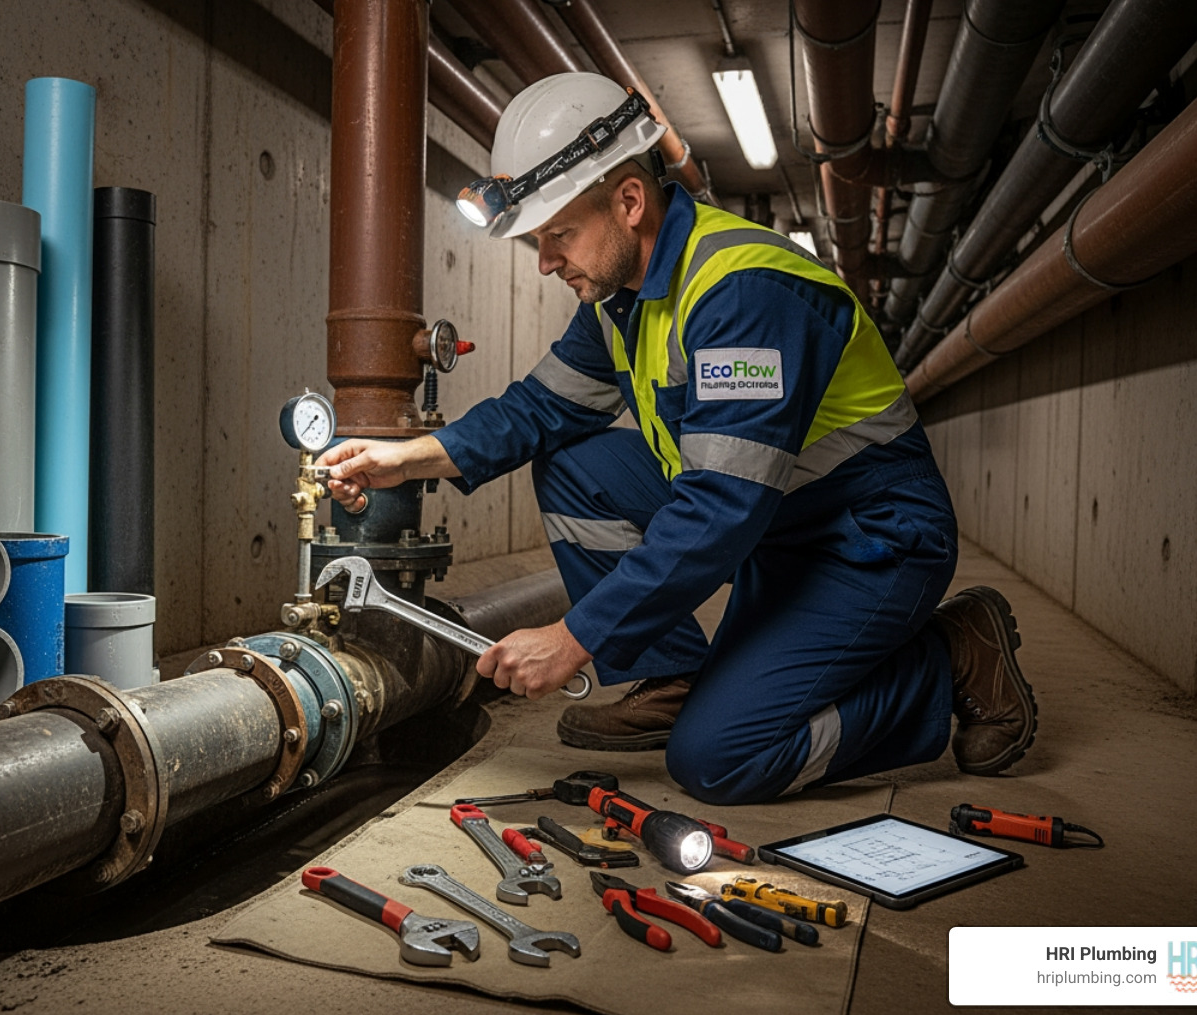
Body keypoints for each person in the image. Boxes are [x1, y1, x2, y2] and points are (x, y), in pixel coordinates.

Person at [318, 73, 1037, 805]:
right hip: (779, 522)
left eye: (558, 235)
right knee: (574, 463)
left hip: (867, 541)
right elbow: (541, 409)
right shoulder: (619, 298)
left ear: (629, 202)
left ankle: (946, 662)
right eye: (538, 241)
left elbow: (721, 506)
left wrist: (575, 638)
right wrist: (406, 460)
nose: (545, 262)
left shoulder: (742, 292)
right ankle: (674, 675)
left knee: (719, 760)